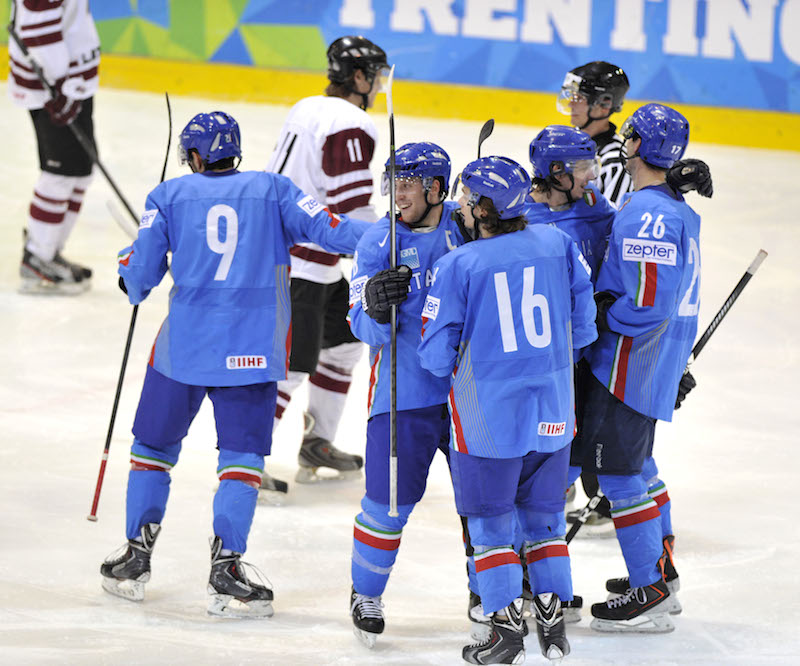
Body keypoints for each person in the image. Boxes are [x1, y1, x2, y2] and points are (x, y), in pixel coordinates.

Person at [99, 111, 370, 617]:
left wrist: (126, 264)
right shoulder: (275, 189)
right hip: (253, 352)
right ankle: (226, 569)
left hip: (182, 350)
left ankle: (135, 557)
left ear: (196, 156)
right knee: (242, 461)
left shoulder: (168, 197)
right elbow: (334, 232)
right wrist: (398, 238)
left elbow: (138, 281)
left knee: (152, 451)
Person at [419, 156, 597, 664]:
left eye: (468, 200)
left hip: (487, 419)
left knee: (492, 526)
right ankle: (553, 626)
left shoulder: (460, 264)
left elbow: (434, 356)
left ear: (482, 208)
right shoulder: (558, 243)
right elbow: (584, 328)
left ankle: (503, 631)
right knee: (544, 521)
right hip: (554, 411)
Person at [574, 103, 702, 633]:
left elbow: (649, 302)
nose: (622, 145)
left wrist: (605, 314)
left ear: (640, 149)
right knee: (641, 470)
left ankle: (647, 590)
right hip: (653, 360)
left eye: (629, 139)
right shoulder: (668, 204)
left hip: (628, 364)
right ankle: (661, 576)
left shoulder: (649, 213)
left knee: (620, 476)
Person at [345, 142, 467, 648]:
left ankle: (487, 595)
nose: (398, 193)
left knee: (482, 507)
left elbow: (533, 212)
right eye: (393, 182)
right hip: (404, 394)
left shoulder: (467, 222)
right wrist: (375, 306)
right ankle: (365, 594)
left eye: (409, 183)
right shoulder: (379, 243)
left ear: (438, 188)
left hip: (469, 394)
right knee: (387, 505)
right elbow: (357, 324)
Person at [262, 35, 389, 493]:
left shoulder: (307, 106)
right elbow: (350, 207)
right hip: (301, 265)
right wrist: (392, 242)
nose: (377, 86)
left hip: (309, 259)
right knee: (291, 366)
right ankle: (245, 461)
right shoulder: (351, 122)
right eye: (374, 76)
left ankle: (317, 441)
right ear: (358, 77)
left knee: (344, 343)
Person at [8, 0, 100, 294]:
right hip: (57, 89)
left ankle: (50, 248)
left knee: (80, 170)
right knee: (60, 173)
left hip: (72, 83)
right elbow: (38, 28)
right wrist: (59, 88)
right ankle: (38, 255)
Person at [557, 61, 633, 209]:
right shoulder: (564, 144)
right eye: (572, 96)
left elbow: (611, 221)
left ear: (604, 104)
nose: (571, 104)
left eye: (579, 98)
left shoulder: (615, 162)